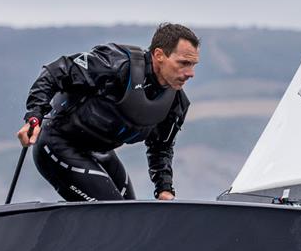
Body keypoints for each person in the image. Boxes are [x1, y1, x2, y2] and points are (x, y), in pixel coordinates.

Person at [16, 23, 199, 202]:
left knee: (131, 215)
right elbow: (55, 72)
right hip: (57, 143)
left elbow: (161, 147)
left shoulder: (176, 103)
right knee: (117, 215)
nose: (191, 73)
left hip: (99, 152)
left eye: (193, 64)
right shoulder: (117, 64)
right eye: (184, 63)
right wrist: (35, 115)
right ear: (159, 55)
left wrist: (164, 188)